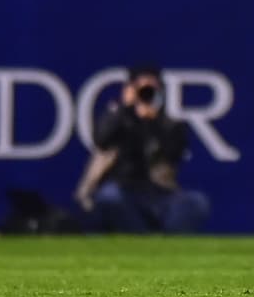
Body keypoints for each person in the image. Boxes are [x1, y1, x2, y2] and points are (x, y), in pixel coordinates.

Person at [88, 65, 210, 234]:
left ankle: (166, 243)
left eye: (151, 88)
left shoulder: (168, 123)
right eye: (141, 89)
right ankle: (142, 236)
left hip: (159, 193)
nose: (146, 94)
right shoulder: (120, 118)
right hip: (124, 190)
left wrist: (153, 122)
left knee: (197, 202)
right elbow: (101, 140)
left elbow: (174, 153)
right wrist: (126, 108)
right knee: (109, 197)